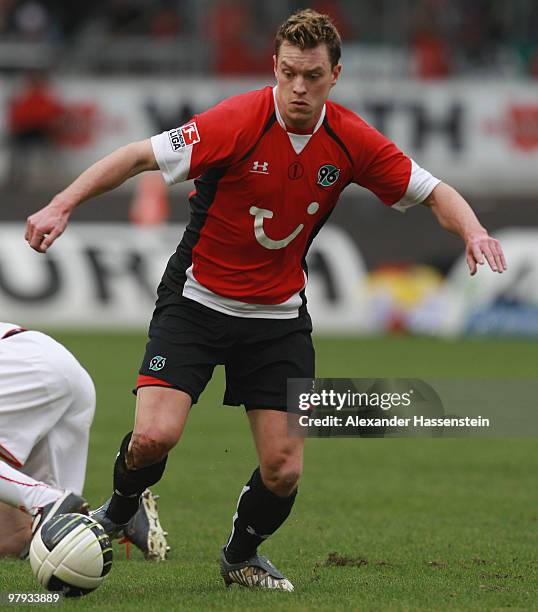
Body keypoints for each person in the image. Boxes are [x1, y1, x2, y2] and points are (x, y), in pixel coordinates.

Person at [25, 9, 507, 591]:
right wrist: (62, 204)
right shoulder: (235, 122)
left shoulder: (351, 140)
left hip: (277, 319)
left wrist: (474, 231)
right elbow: (135, 158)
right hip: (196, 300)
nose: (298, 88)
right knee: (154, 436)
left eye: (312, 76)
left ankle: (241, 554)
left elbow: (434, 192)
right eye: (288, 73)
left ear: (335, 76)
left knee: (284, 469)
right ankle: (122, 507)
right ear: (273, 68)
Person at [0, 323, 168, 561]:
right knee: (25, 539)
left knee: (51, 506)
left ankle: (45, 501)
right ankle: (118, 514)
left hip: (20, 365)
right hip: (58, 366)